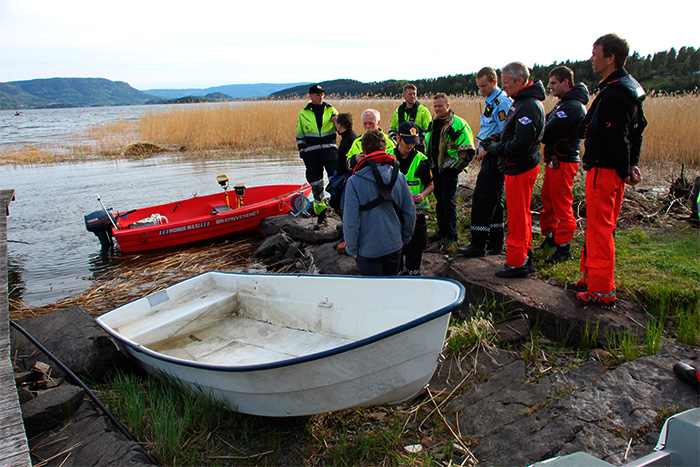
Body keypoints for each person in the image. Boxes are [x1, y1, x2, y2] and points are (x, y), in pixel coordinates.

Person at [567, 34, 647, 309]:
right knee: (598, 228)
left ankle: (601, 291)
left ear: (610, 57)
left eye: (595, 52)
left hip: (605, 171)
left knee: (600, 230)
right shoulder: (625, 87)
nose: (591, 58)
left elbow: (619, 136)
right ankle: (591, 279)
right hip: (609, 170)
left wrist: (626, 169)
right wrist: (631, 165)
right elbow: (638, 129)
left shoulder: (615, 92)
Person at [481, 62, 545, 278]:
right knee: (522, 215)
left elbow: (521, 144)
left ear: (520, 81)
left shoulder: (528, 105)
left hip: (520, 167)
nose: (504, 87)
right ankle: (524, 256)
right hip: (517, 166)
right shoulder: (520, 103)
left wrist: (497, 148)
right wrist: (496, 138)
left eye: (506, 83)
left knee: (517, 218)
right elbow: (512, 133)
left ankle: (517, 263)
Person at [343, 129, 416, 276]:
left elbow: (351, 221)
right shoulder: (399, 176)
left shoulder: (354, 181)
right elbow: (410, 212)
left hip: (367, 250)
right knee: (390, 288)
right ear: (384, 149)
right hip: (394, 244)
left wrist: (352, 249)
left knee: (372, 293)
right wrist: (404, 238)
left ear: (363, 150)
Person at [456, 67, 512, 257]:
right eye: (479, 87)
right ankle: (495, 241)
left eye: (484, 86)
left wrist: (488, 146)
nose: (482, 90)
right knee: (494, 198)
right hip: (489, 154)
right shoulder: (491, 102)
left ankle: (478, 243)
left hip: (495, 155)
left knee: (482, 197)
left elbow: (506, 131)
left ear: (494, 82)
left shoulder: (502, 101)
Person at [539, 66, 589, 264]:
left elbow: (547, 131)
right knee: (548, 199)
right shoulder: (563, 104)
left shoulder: (573, 107)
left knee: (562, 205)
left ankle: (564, 248)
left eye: (553, 83)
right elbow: (545, 121)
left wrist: (535, 132)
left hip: (564, 161)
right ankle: (551, 237)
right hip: (554, 161)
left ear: (566, 82)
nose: (550, 87)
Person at [425, 93, 476, 244]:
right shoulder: (433, 124)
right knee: (440, 202)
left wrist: (456, 169)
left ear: (448, 105)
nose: (437, 109)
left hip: (449, 170)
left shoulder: (458, 123)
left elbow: (468, 150)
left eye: (440, 106)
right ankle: (441, 233)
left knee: (449, 202)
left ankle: (452, 236)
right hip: (435, 169)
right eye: (435, 106)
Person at [388, 121, 434, 275]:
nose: (410, 146)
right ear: (398, 138)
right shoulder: (387, 156)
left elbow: (430, 184)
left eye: (413, 142)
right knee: (395, 249)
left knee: (417, 245)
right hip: (393, 213)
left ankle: (413, 273)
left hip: (417, 213)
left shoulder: (421, 160)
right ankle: (397, 274)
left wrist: (424, 194)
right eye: (407, 142)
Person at [296, 84, 338, 230]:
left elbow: (342, 128)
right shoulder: (303, 113)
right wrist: (303, 153)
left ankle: (338, 210)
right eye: (318, 94)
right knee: (316, 187)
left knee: (336, 181)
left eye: (322, 94)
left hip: (330, 151)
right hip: (312, 154)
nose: (321, 96)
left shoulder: (331, 109)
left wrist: (338, 121)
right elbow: (300, 136)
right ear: (311, 96)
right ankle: (321, 218)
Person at [327, 113, 357, 215]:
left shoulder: (350, 139)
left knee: (339, 204)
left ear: (339, 125)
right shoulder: (349, 136)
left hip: (345, 178)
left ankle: (344, 227)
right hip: (342, 176)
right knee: (336, 203)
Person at [389, 83, 432, 152]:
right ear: (404, 96)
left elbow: (428, 130)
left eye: (414, 94)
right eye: (410, 94)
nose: (413, 96)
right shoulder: (398, 111)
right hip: (401, 148)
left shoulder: (423, 111)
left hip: (417, 147)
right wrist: (396, 139)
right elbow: (392, 129)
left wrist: (418, 139)